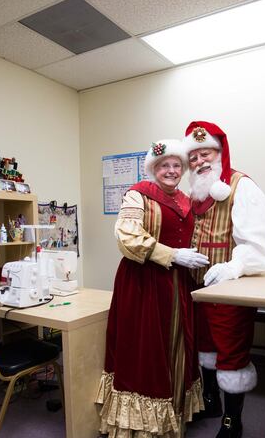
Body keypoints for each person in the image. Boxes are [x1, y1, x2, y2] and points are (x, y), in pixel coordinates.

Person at [96, 139, 210, 438]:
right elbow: (127, 237)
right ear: (153, 168)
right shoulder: (138, 195)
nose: (171, 171)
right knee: (145, 349)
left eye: (176, 166)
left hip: (178, 284)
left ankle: (173, 414)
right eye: (164, 166)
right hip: (144, 283)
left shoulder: (187, 200)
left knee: (177, 345)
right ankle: (144, 427)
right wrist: (170, 254)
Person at [182, 121, 265, 438]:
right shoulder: (192, 194)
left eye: (205, 153)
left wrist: (232, 268)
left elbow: (259, 248)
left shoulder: (242, 187)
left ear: (220, 153)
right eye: (192, 157)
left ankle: (232, 422)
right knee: (204, 348)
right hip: (197, 289)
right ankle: (211, 401)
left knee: (231, 356)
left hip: (230, 291)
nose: (198, 162)